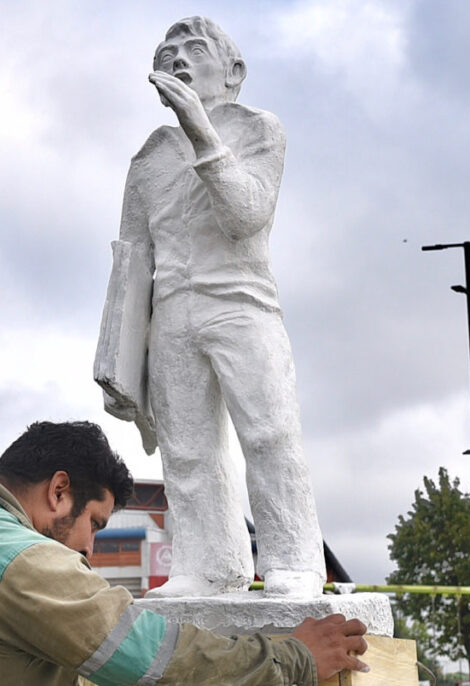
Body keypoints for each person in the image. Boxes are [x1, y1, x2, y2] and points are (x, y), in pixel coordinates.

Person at [0, 420, 368, 685]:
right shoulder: (19, 559)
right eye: (93, 523)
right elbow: (155, 658)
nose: (88, 549)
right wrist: (293, 657)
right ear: (58, 491)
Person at [95, 16, 325, 598]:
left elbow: (247, 217)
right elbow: (132, 257)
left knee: (269, 432)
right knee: (187, 447)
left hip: (241, 300)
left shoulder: (258, 130)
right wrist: (117, 355)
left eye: (194, 49)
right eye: (166, 51)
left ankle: (293, 559)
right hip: (172, 312)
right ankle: (205, 564)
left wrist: (203, 134)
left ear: (234, 71)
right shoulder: (148, 158)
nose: (177, 59)